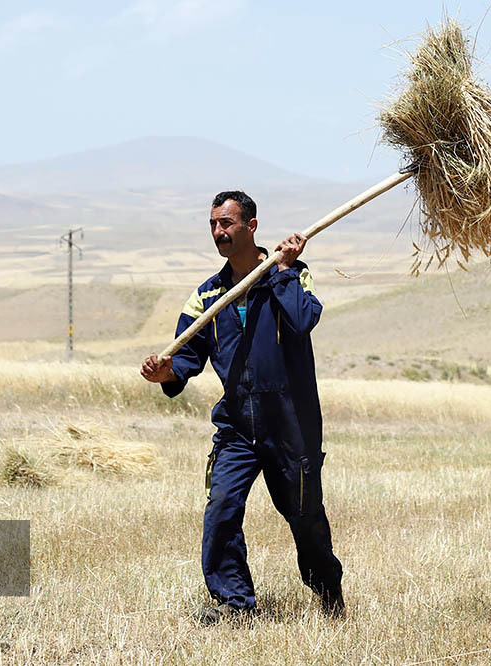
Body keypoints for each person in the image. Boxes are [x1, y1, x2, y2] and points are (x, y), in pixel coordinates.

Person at [141, 190, 344, 624]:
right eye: (214, 224)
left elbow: (303, 320)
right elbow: (187, 359)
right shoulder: (206, 298)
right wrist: (168, 373)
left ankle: (329, 592)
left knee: (305, 518)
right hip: (237, 427)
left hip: (292, 427)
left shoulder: (291, 276)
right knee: (222, 509)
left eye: (227, 224)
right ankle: (236, 606)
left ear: (251, 227)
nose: (219, 232)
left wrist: (285, 272)